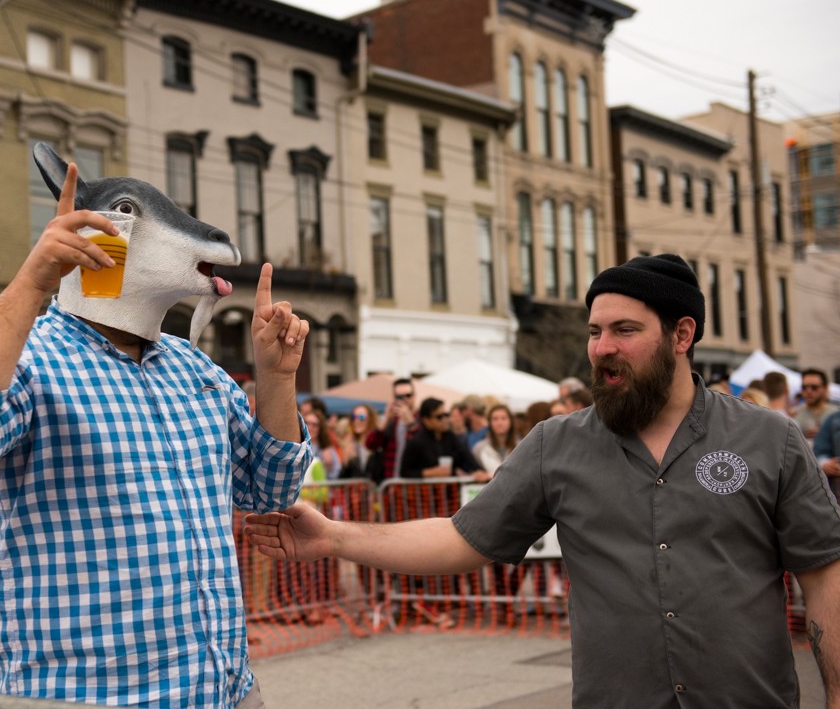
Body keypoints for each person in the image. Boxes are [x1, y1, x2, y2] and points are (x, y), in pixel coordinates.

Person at [247, 253, 840, 709]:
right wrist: (334, 537)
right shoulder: (558, 445)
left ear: (682, 336)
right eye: (594, 331)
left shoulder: (770, 440)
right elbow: (462, 539)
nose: (601, 348)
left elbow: (824, 576)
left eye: (624, 330)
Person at [0, 151, 311, 706]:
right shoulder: (28, 361)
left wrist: (275, 377)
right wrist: (32, 281)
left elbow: (272, 488)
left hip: (226, 694)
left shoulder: (193, 367)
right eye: (127, 211)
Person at [398, 398, 490, 482]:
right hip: (424, 495)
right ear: (426, 420)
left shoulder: (450, 436)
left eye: (446, 415)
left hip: (448, 493)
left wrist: (478, 471)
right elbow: (404, 472)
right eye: (439, 417)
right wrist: (430, 472)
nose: (445, 419)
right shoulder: (417, 441)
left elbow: (465, 456)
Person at [365, 378, 417, 483]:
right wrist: (385, 420)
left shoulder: (421, 419)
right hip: (390, 482)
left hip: (413, 482)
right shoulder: (391, 421)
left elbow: (423, 447)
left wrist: (412, 424)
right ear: (393, 398)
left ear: (414, 396)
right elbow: (370, 444)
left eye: (408, 396)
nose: (404, 400)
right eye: (399, 397)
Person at [472, 403, 519, 475]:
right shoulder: (479, 449)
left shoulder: (521, 446)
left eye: (503, 418)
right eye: (495, 419)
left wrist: (489, 475)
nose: (499, 423)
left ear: (511, 421)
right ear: (489, 422)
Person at [794, 368, 838, 444]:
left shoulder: (836, 413)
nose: (808, 391)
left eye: (814, 387)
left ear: (825, 388)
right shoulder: (794, 413)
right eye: (804, 387)